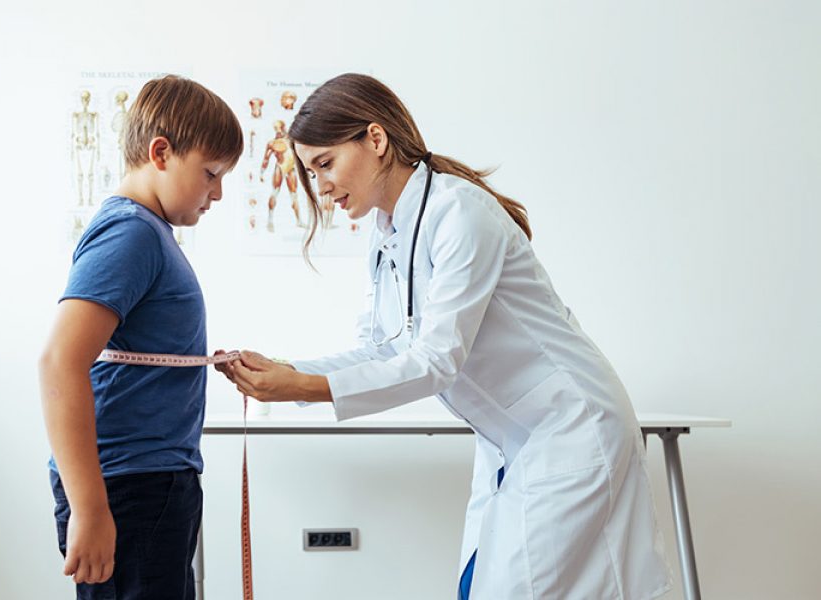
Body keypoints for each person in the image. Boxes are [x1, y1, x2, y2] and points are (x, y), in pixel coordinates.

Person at [217, 73, 671, 599]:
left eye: (325, 163)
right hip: (510, 441)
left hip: (570, 426)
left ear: (376, 140)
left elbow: (436, 361)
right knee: (478, 588)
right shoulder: (387, 234)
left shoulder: (460, 213)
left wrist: (300, 388)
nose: (321, 187)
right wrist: (291, 372)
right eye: (311, 170)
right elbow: (385, 347)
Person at [39, 74, 242, 599]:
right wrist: (90, 509)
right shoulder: (131, 233)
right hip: (130, 487)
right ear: (161, 153)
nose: (218, 192)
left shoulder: (150, 233)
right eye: (211, 172)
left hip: (150, 481)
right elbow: (60, 361)